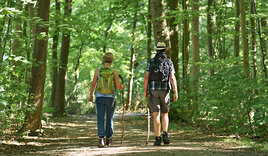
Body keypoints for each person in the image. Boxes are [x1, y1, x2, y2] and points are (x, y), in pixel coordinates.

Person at [144, 42, 178, 146]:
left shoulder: (151, 61)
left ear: (156, 50)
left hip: (153, 90)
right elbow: (172, 77)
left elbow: (146, 77)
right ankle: (165, 135)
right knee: (165, 114)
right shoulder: (169, 62)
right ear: (165, 50)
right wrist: (176, 92)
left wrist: (145, 90)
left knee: (156, 115)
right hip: (165, 90)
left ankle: (158, 139)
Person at [89, 52, 125, 148]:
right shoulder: (114, 71)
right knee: (109, 118)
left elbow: (93, 83)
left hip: (99, 97)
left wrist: (91, 94)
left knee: (100, 117)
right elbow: (118, 86)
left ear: (103, 59)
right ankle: (108, 139)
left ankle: (101, 139)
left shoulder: (98, 70)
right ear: (112, 60)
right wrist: (122, 86)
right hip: (110, 98)